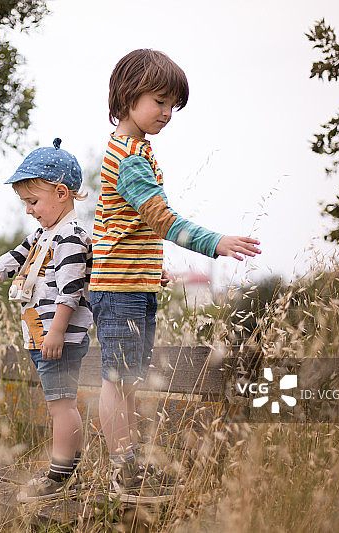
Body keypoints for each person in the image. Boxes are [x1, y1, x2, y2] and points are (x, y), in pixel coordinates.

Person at [91, 49, 261, 503]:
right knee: (117, 377)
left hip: (133, 280)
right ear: (128, 98)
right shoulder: (128, 156)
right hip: (119, 287)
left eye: (173, 106)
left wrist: (150, 266)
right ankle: (122, 472)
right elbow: (160, 218)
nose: (167, 113)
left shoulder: (137, 150)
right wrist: (216, 243)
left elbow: (125, 225)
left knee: (128, 376)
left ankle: (131, 467)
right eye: (159, 102)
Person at [0, 138, 92, 502]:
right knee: (59, 402)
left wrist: (55, 331)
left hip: (59, 338)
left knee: (62, 404)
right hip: (43, 337)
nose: (28, 211)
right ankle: (66, 471)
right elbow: (8, 262)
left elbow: (70, 291)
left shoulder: (70, 237)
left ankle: (59, 477)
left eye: (33, 202)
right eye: (25, 203)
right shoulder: (42, 236)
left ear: (61, 193)